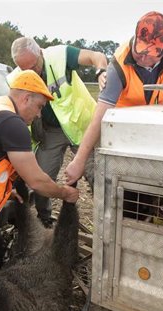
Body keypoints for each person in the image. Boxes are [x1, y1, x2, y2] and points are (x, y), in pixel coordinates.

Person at [64, 11, 163, 185]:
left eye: (150, 54)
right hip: (126, 133)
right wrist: (79, 161)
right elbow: (100, 115)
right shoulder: (118, 64)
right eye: (139, 51)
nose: (142, 57)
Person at [0, 70, 80, 267]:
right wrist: (64, 193)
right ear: (25, 98)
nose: (39, 114)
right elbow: (37, 181)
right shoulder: (12, 123)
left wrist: (7, 190)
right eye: (39, 107)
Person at [9, 37, 107, 227]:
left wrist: (101, 70)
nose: (31, 73)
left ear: (40, 52)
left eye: (33, 66)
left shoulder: (60, 56)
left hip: (81, 127)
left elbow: (96, 55)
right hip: (50, 131)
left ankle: (104, 222)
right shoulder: (14, 79)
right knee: (41, 177)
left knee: (96, 174)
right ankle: (44, 218)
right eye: (24, 69)